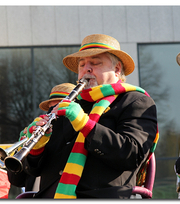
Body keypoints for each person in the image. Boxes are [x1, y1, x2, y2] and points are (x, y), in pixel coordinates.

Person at [14, 34, 158, 198]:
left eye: (96, 63)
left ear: (117, 69)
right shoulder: (69, 104)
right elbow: (33, 172)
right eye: (82, 65)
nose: (86, 69)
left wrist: (85, 124)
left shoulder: (136, 101)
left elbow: (132, 155)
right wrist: (37, 149)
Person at [7, 83, 76, 192]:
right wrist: (24, 147)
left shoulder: (72, 135)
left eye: (58, 107)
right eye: (51, 109)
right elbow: (17, 180)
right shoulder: (39, 127)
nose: (53, 113)